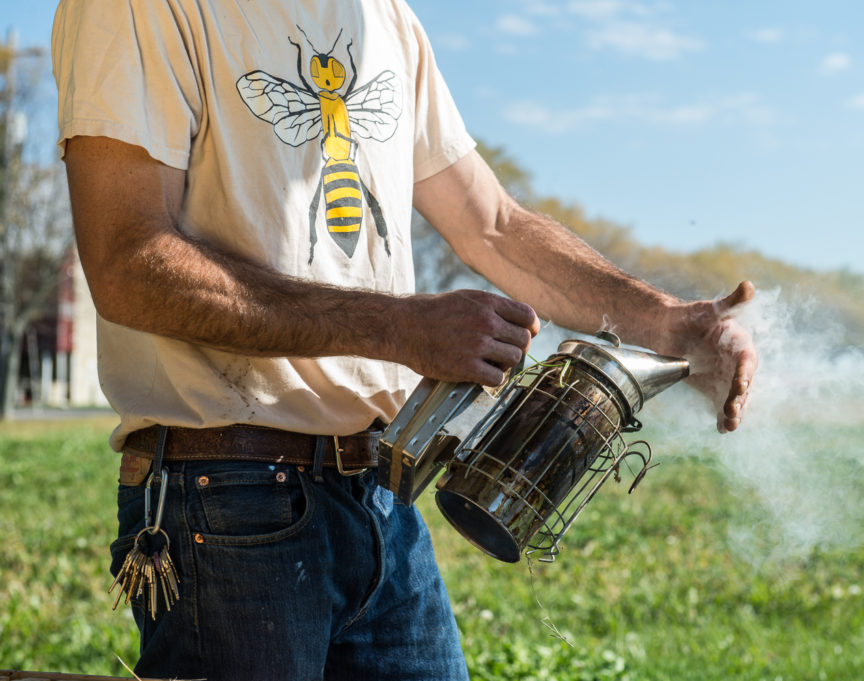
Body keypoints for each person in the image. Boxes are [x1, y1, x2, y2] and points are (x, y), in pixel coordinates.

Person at [52, 1, 757, 679]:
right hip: (225, 497)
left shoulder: (384, 14)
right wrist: (401, 327)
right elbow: (129, 261)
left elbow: (494, 224)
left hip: (381, 495)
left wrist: (671, 324)